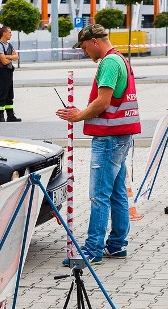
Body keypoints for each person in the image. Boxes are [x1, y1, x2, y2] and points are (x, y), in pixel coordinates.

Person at [55, 24, 141, 265]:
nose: (84, 53)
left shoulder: (109, 63)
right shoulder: (121, 60)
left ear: (94, 41)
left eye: (84, 47)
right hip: (121, 136)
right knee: (117, 193)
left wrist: (78, 115)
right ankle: (116, 245)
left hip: (109, 138)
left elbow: (103, 102)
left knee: (99, 195)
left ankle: (93, 250)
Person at [0, 26, 21, 122]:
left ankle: (10, 116)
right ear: (3, 33)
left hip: (9, 72)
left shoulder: (9, 45)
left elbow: (17, 57)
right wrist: (11, 57)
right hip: (1, 72)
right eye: (9, 32)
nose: (11, 34)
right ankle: (0, 116)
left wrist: (7, 56)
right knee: (1, 94)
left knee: (9, 94)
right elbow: (3, 62)